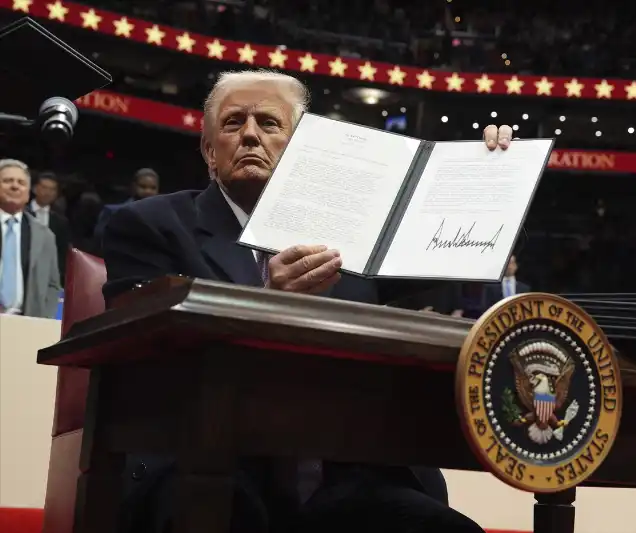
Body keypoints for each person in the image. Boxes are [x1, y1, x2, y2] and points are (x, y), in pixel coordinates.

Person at [102, 69, 516, 533]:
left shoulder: (360, 239)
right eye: (234, 122)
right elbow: (141, 356)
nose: (251, 134)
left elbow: (447, 251)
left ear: (303, 152)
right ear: (209, 152)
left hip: (347, 478)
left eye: (270, 123)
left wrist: (487, 174)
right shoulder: (148, 225)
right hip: (210, 462)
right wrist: (265, 304)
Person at [0, 159, 61, 318]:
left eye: (21, 182)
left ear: (28, 192)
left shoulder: (45, 236)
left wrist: (44, 319)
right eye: (7, 181)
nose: (15, 186)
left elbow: (53, 285)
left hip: (27, 324)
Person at [94, 167, 160, 241]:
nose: (148, 191)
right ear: (133, 186)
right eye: (143, 187)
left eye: (153, 188)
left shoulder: (162, 215)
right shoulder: (113, 211)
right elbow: (100, 238)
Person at [28, 171, 70, 283]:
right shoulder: (21, 213)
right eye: (44, 188)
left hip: (48, 274)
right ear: (34, 188)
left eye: (52, 189)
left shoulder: (61, 221)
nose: (48, 192)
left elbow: (62, 251)